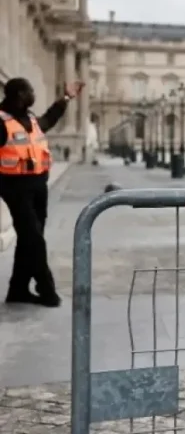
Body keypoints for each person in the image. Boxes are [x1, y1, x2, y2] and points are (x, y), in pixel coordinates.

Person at [0, 78, 82, 308]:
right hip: (14, 187)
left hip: (38, 186)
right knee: (34, 239)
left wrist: (66, 98)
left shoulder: (31, 119)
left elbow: (50, 118)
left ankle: (18, 289)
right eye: (29, 91)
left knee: (30, 239)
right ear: (17, 95)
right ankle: (47, 290)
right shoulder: (1, 120)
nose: (33, 95)